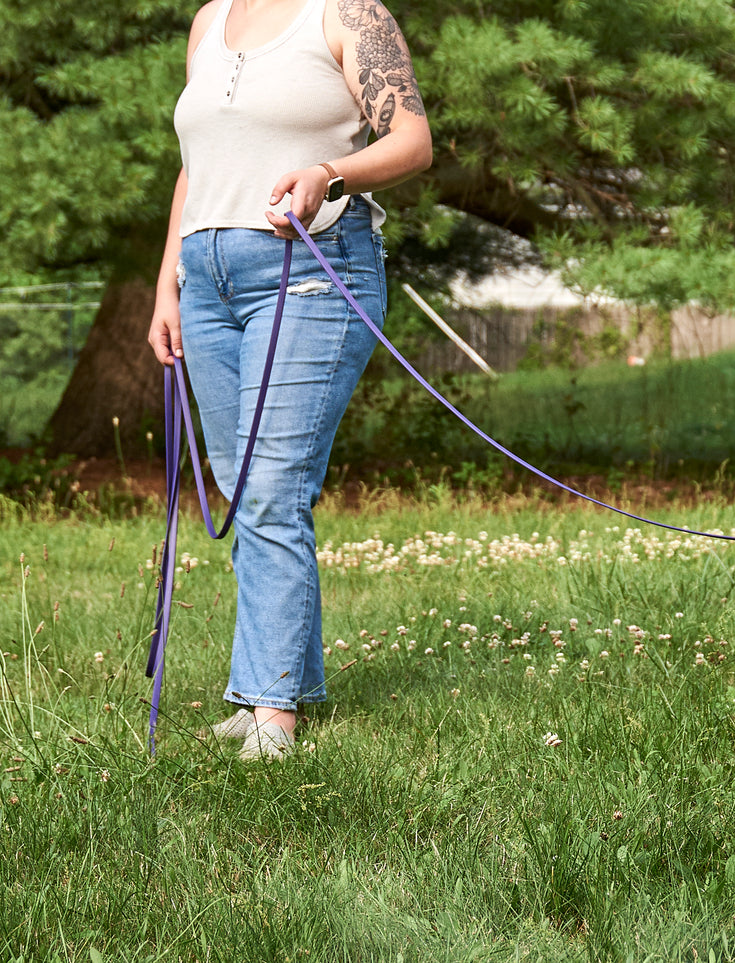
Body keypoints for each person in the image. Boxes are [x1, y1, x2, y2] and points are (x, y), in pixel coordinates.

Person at [147, 0, 432, 759]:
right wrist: (167, 286)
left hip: (309, 270)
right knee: (244, 483)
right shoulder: (210, 19)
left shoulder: (346, 13)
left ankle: (273, 712)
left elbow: (412, 140)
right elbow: (196, 165)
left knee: (272, 485)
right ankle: (272, 685)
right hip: (206, 280)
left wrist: (328, 173)